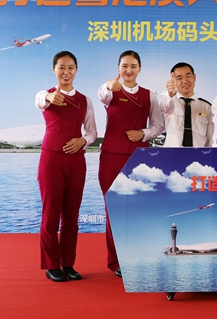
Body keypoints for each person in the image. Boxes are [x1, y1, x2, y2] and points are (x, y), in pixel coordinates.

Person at [97, 50, 164, 277]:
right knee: (113, 208)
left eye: (133, 66)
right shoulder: (110, 91)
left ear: (140, 68)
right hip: (111, 156)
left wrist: (143, 133)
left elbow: (158, 126)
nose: (129, 70)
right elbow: (103, 94)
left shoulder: (149, 95)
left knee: (139, 208)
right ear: (118, 68)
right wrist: (108, 85)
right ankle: (116, 261)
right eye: (124, 65)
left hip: (139, 157)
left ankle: (138, 256)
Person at [35, 51, 97, 282]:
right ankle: (51, 265)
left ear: (76, 70)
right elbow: (41, 99)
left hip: (77, 160)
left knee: (71, 216)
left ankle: (68, 263)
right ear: (54, 70)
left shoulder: (85, 100)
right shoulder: (45, 96)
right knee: (51, 214)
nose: (66, 72)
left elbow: (92, 132)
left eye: (70, 67)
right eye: (61, 67)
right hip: (51, 160)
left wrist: (83, 140)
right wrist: (50, 97)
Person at [160, 62, 215, 147]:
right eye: (179, 78)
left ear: (194, 77)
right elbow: (164, 105)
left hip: (198, 154)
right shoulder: (170, 102)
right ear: (173, 81)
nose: (185, 81)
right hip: (173, 154)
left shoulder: (206, 107)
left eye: (188, 76)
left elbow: (210, 140)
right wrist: (170, 94)